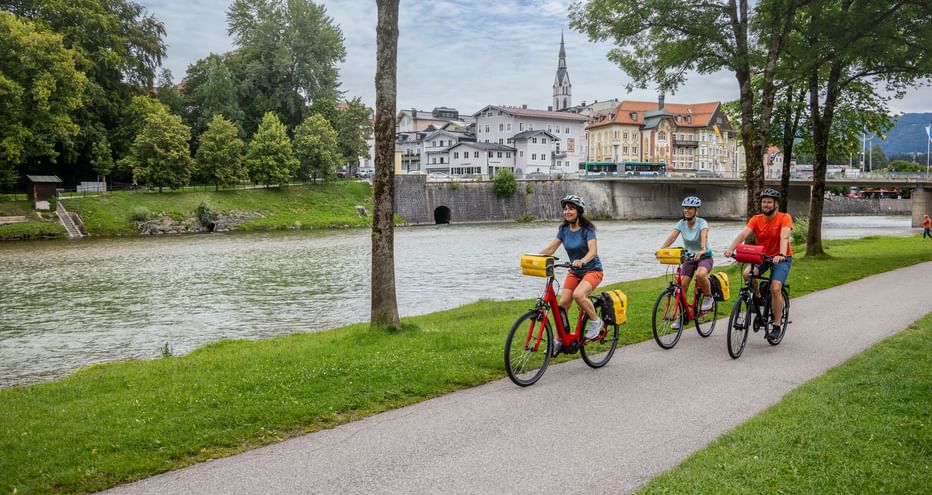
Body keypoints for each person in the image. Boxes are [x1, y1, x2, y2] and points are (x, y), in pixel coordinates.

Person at [724, 188, 793, 340]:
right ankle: (758, 296)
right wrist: (731, 248)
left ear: (776, 204)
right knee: (747, 274)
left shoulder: (784, 218)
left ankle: (776, 325)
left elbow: (785, 236)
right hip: (762, 257)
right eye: (764, 202)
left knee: (775, 288)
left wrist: (781, 254)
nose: (766, 205)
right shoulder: (756, 219)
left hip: (781, 257)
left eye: (769, 202)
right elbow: (743, 234)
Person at [538, 194, 604, 347]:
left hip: (592, 270)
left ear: (578, 211)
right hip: (574, 271)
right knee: (563, 305)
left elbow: (593, 251)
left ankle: (596, 321)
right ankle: (559, 340)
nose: (567, 212)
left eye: (571, 209)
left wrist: (583, 261)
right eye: (565, 209)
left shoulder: (588, 230)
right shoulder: (563, 230)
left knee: (579, 295)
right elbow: (550, 249)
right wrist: (533, 256)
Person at [659, 196, 714, 328]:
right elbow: (672, 236)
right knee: (681, 286)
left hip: (704, 257)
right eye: (685, 208)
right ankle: (681, 316)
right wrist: (662, 249)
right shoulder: (681, 223)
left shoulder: (702, 223)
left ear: (696, 211)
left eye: (690, 208)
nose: (686, 211)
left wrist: (702, 249)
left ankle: (708, 297)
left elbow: (704, 236)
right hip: (689, 258)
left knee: (700, 275)